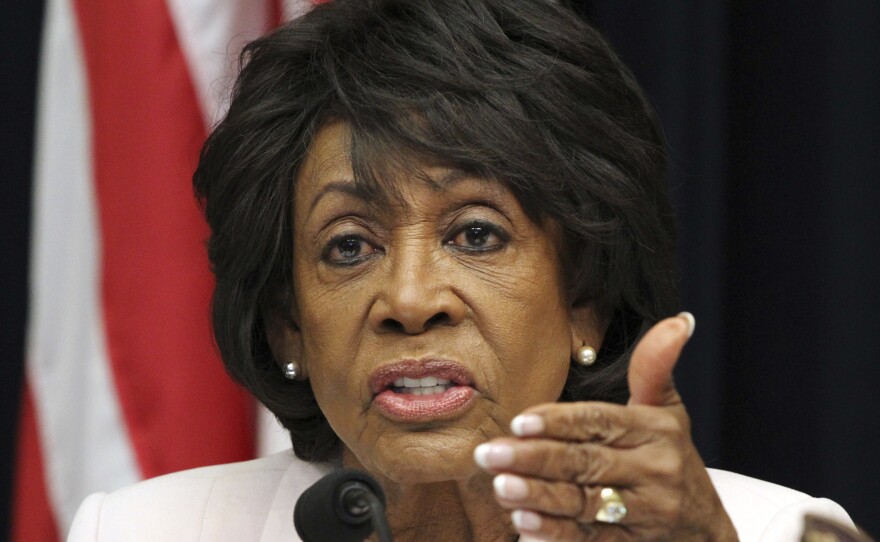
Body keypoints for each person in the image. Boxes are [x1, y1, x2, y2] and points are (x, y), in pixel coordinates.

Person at [68, 0, 854, 540]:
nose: (409, 301)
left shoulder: (767, 533)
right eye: (349, 245)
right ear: (288, 324)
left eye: (476, 235)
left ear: (585, 296)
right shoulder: (139, 531)